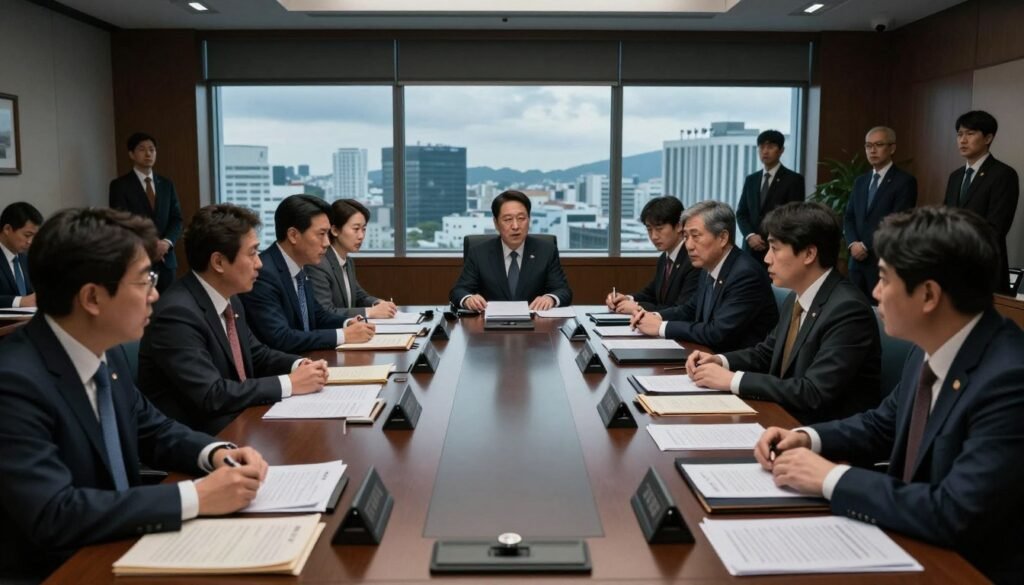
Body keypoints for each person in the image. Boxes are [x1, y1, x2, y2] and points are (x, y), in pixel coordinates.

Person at [754, 206, 1024, 585]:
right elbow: (883, 422)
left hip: (966, 569)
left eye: (884, 278)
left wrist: (832, 478)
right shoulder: (929, 346)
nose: (875, 292)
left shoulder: (1009, 379)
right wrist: (807, 438)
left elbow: (956, 511)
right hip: (904, 541)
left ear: (928, 295)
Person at [0, 208, 268, 581]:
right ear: (92, 298)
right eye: (144, 280)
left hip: (126, 543)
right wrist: (196, 497)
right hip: (63, 569)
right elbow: (54, 513)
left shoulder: (102, 347)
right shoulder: (14, 382)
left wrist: (214, 453)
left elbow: (151, 426)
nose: (156, 294)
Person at [139, 204, 330, 434]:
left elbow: (257, 354)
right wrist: (290, 383)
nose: (259, 263)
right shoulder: (177, 314)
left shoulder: (230, 297)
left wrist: (299, 365)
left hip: (241, 422)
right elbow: (212, 394)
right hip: (203, 438)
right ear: (218, 262)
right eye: (252, 253)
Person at [686, 201, 880, 424]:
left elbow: (813, 392)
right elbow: (766, 352)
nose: (767, 258)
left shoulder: (847, 310)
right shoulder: (797, 295)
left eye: (775, 249)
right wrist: (719, 360)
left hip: (821, 436)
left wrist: (733, 380)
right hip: (785, 418)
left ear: (809, 254)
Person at [630, 200, 778, 352]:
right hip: (708, 356)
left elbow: (717, 332)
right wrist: (655, 317)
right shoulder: (709, 266)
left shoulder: (745, 274)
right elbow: (689, 309)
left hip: (735, 366)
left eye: (695, 236)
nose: (688, 245)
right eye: (686, 236)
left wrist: (661, 327)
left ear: (722, 238)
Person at [241, 194, 375, 353]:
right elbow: (281, 338)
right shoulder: (263, 274)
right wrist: (343, 335)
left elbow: (318, 316)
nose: (326, 242)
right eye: (321, 234)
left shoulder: (299, 267)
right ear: (293, 235)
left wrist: (348, 323)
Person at [449, 190, 572, 311]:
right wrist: (468, 299)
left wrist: (550, 298)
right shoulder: (479, 253)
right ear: (496, 223)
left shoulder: (546, 251)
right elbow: (458, 291)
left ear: (529, 219)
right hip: (490, 327)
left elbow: (563, 291)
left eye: (521, 218)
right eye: (508, 219)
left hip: (536, 325)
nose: (515, 226)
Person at [943, 110, 1020, 294]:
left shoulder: (1003, 174)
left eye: (970, 134)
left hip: (983, 269)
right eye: (960, 134)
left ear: (988, 138)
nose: (963, 140)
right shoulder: (956, 176)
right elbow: (945, 219)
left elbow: (996, 228)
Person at [844, 126, 918, 301]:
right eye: (868, 146)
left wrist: (865, 245)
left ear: (892, 148)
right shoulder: (860, 181)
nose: (872, 150)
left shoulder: (905, 182)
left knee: (879, 317)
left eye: (878, 145)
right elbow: (849, 217)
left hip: (881, 261)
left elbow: (898, 221)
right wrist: (853, 243)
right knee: (853, 311)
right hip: (856, 262)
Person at [108, 132, 183, 293]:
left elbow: (177, 219)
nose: (148, 153)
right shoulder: (119, 185)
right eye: (142, 149)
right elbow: (120, 223)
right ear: (131, 154)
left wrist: (166, 243)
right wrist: (150, 245)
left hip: (166, 260)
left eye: (152, 149)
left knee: (169, 309)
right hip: (138, 259)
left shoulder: (166, 184)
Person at [605, 196, 700, 314]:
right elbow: (651, 293)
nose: (654, 236)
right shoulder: (665, 258)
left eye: (659, 229)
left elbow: (682, 310)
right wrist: (626, 299)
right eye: (649, 229)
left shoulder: (693, 260)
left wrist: (637, 307)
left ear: (679, 226)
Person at [307, 199, 398, 320]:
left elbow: (359, 296)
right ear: (334, 230)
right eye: (356, 229)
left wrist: (378, 303)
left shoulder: (347, 261)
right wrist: (369, 312)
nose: (361, 236)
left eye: (364, 229)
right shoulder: (319, 264)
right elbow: (326, 312)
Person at [736, 129, 805, 266]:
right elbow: (741, 213)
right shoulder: (751, 179)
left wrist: (771, 238)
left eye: (770, 147)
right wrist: (750, 236)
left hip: (777, 248)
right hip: (750, 249)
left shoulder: (794, 180)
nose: (765, 151)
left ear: (781, 150)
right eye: (761, 147)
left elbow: (793, 217)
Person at [0, 201, 42, 308]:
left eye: (34, 236)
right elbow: (24, 300)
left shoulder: (26, 259)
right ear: (7, 229)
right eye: (27, 235)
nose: (30, 241)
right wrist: (19, 301)